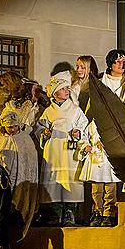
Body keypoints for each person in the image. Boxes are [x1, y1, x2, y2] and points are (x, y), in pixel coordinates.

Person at [37, 71, 87, 226]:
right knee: (55, 180)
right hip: (53, 151)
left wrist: (78, 132)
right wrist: (44, 132)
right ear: (55, 92)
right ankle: (55, 212)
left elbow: (83, 125)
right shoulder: (48, 111)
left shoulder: (75, 110)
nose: (67, 91)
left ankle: (70, 212)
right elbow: (39, 128)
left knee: (70, 180)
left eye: (67, 88)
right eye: (63, 88)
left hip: (69, 150)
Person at [0, 112, 38, 237]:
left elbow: (30, 161)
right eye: (9, 127)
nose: (12, 129)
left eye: (15, 127)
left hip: (20, 179)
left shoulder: (25, 139)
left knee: (18, 202)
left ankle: (17, 228)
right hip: (3, 180)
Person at [78, 115, 121, 227]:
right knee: (97, 190)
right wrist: (86, 146)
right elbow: (84, 137)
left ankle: (109, 214)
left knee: (110, 188)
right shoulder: (92, 124)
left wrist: (109, 143)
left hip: (108, 158)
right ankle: (98, 212)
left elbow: (119, 137)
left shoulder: (113, 122)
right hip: (95, 159)